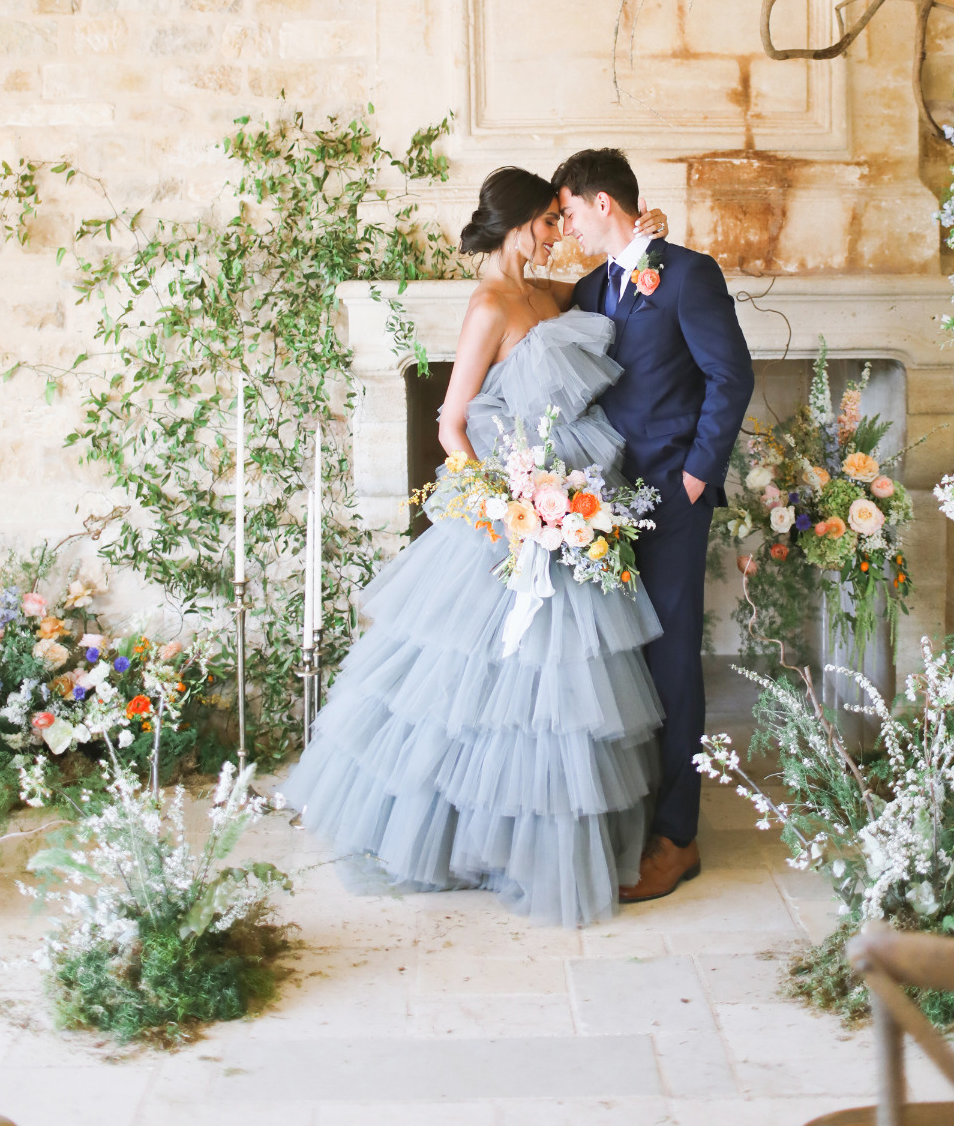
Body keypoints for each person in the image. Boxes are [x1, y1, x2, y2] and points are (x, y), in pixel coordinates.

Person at [284, 167, 671, 927]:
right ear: (522, 222)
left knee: (561, 687)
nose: (559, 233)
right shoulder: (490, 302)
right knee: (478, 689)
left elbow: (603, 275)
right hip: (512, 509)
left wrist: (639, 235)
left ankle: (541, 836)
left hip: (570, 499)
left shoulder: (545, 292)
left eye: (564, 222)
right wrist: (502, 503)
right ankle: (460, 838)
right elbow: (451, 424)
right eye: (550, 222)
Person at [554, 147, 754, 902]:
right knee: (618, 661)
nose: (566, 226)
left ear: (603, 203)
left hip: (671, 498)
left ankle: (679, 837)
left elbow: (730, 377)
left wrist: (697, 476)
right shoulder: (593, 285)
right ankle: (630, 817)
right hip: (598, 508)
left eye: (569, 211)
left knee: (671, 660)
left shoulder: (689, 275)